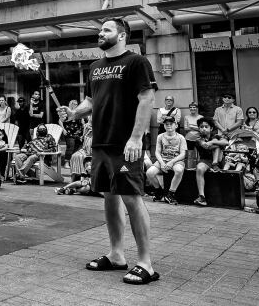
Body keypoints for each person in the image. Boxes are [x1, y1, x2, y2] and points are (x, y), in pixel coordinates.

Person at [58, 18, 159, 285]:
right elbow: (91, 101)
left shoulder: (136, 62)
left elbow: (147, 98)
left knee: (131, 198)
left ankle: (146, 263)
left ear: (122, 35)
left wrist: (137, 138)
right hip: (100, 143)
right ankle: (116, 255)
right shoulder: (94, 66)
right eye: (100, 30)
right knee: (109, 197)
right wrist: (72, 113)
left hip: (125, 143)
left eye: (106, 30)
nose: (100, 33)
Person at [145, 116, 187, 205]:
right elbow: (157, 152)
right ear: (164, 126)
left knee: (179, 170)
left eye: (171, 124)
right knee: (149, 173)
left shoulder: (181, 137)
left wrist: (171, 162)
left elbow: (183, 154)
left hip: (176, 160)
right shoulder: (160, 136)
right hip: (163, 160)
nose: (168, 126)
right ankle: (159, 191)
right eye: (166, 124)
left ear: (176, 125)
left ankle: (170, 194)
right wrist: (162, 163)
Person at [192, 117, 228, 206]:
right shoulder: (198, 139)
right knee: (199, 168)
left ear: (211, 128)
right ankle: (201, 197)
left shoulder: (216, 136)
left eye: (206, 126)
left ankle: (215, 164)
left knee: (217, 143)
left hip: (219, 160)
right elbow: (206, 146)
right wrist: (215, 143)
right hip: (206, 160)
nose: (203, 128)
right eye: (201, 127)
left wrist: (212, 142)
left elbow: (226, 142)